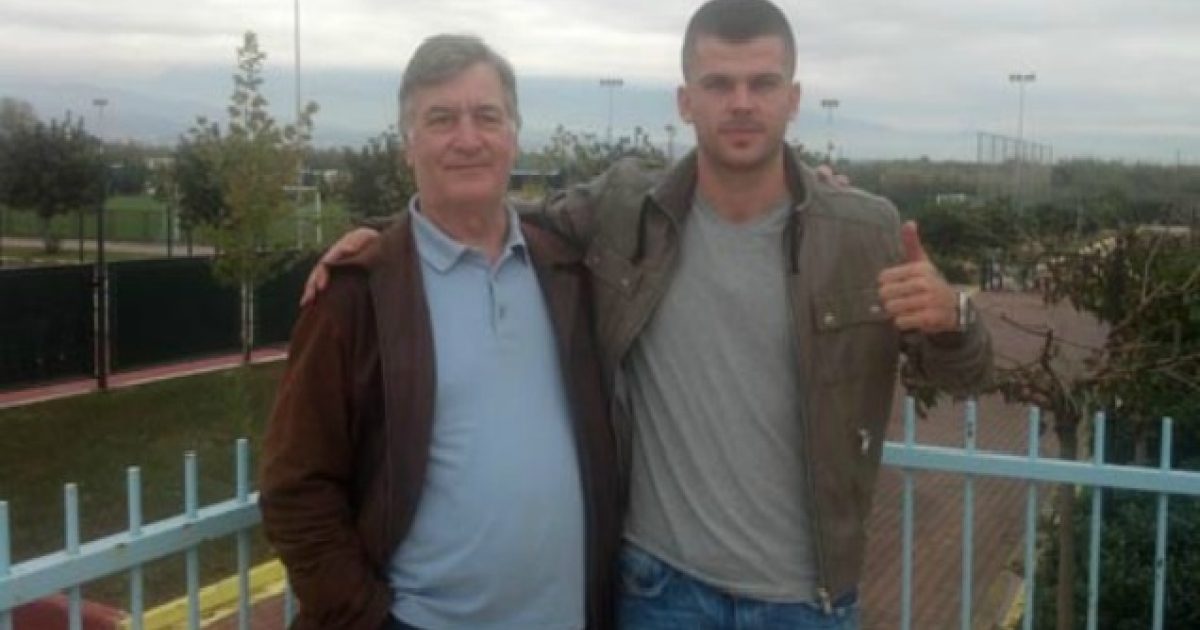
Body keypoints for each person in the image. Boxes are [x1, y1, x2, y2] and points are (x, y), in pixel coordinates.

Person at [303, 1, 993, 628]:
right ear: (686, 101)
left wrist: (955, 317)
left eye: (762, 83)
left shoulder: (864, 231)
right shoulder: (628, 210)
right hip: (659, 591)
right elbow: (488, 211)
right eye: (719, 84)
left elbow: (959, 376)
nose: (741, 103)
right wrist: (386, 237)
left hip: (805, 602)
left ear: (794, 98)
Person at [260, 34, 622, 630]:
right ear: (408, 144)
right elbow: (296, 489)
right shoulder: (355, 297)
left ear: (513, 136)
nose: (468, 139)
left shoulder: (568, 272)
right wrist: (368, 620)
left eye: (487, 116)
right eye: (441, 119)